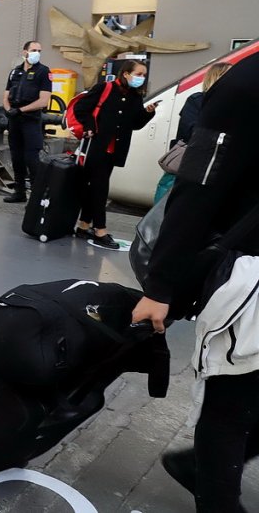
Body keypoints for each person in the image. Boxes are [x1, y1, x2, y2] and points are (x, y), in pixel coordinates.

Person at [132, 51, 259, 513]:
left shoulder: (245, 83)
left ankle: (201, 468)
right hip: (249, 274)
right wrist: (159, 287)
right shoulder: (246, 85)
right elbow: (199, 186)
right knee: (233, 399)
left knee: (240, 399)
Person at [72, 60, 157, 250]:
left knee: (95, 186)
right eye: (138, 74)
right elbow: (81, 108)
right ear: (126, 73)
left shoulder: (135, 96)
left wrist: (148, 113)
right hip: (97, 146)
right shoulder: (105, 88)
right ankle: (100, 229)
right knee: (100, 188)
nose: (141, 78)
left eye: (143, 75)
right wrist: (89, 127)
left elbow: (134, 124)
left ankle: (84, 225)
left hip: (115, 150)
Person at [154, 62, 232, 202]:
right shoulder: (197, 100)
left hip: (217, 168)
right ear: (216, 77)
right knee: (169, 203)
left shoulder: (235, 105)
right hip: (190, 162)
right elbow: (192, 131)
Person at [2, 40, 52, 203]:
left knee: (32, 159)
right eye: (33, 50)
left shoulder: (43, 72)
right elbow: (6, 94)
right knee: (16, 158)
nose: (37, 52)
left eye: (39, 50)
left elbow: (44, 101)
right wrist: (8, 109)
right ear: (25, 52)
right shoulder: (15, 72)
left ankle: (37, 198)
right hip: (14, 121)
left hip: (31, 121)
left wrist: (21, 110)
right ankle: (19, 192)